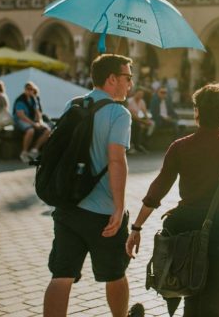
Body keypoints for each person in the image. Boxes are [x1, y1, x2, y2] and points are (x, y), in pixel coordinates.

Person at [125, 83, 219, 316]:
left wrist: (136, 228)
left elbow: (157, 190)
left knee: (189, 291)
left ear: (197, 112)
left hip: (184, 232)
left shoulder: (180, 147)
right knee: (215, 301)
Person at [43, 54, 144, 317]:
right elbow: (116, 161)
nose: (130, 84)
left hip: (68, 204)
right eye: (128, 77)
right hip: (103, 212)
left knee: (61, 276)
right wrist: (119, 208)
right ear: (112, 79)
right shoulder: (118, 113)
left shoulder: (73, 105)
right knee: (115, 274)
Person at [14, 81, 51, 162]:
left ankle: (34, 150)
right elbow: (21, 116)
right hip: (20, 120)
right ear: (25, 90)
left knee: (47, 130)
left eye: (31, 89)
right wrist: (34, 124)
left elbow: (38, 112)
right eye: (28, 89)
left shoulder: (34, 99)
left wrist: (40, 122)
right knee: (30, 131)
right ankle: (24, 153)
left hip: (31, 120)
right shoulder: (20, 100)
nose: (30, 91)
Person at [126, 88, 153, 154]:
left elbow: (144, 111)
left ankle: (142, 144)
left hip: (137, 119)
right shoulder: (129, 101)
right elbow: (132, 115)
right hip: (129, 119)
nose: (140, 96)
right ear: (135, 93)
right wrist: (143, 122)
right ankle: (133, 145)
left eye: (142, 94)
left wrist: (148, 120)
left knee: (150, 125)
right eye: (139, 94)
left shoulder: (142, 101)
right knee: (137, 125)